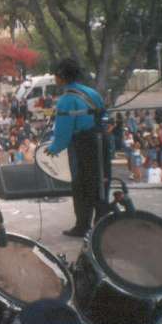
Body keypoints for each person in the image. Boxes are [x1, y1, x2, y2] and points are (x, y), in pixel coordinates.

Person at [44, 58, 108, 237]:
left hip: (83, 144)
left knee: (81, 186)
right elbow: (104, 115)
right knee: (101, 182)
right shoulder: (92, 93)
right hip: (101, 140)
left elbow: (64, 131)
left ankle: (82, 226)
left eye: (56, 74)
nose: (54, 77)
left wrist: (53, 149)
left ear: (62, 76)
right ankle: (102, 225)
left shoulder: (66, 100)